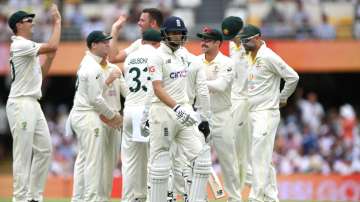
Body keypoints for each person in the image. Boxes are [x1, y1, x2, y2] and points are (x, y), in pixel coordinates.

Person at [147, 16, 211, 202]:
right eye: (174, 33)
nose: (178, 36)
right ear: (165, 34)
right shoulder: (156, 56)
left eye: (180, 33)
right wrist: (177, 108)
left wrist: (193, 111)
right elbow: (157, 89)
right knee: (160, 164)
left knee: (202, 159)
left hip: (183, 110)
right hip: (162, 112)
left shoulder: (184, 54)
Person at [6, 4, 61, 202]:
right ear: (18, 25)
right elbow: (53, 45)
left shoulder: (27, 49)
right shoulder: (20, 44)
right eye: (28, 20)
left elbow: (41, 75)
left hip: (32, 102)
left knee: (45, 149)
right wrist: (57, 22)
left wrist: (50, 60)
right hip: (21, 103)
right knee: (23, 152)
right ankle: (19, 198)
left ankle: (34, 197)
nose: (32, 23)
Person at [239, 24, 299, 202]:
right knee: (262, 157)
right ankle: (272, 198)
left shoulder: (268, 56)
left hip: (266, 113)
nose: (244, 44)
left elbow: (292, 77)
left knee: (258, 156)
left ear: (258, 38)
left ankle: (256, 198)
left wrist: (282, 97)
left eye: (247, 40)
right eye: (242, 41)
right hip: (252, 113)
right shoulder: (249, 56)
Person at [68, 30, 123, 202]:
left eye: (108, 41)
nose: (108, 44)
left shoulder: (92, 64)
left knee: (85, 160)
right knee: (92, 162)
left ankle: (80, 198)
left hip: (85, 115)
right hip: (88, 115)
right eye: (104, 42)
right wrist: (114, 117)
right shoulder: (92, 67)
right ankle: (91, 199)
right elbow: (95, 99)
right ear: (93, 45)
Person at [196, 26, 242, 202]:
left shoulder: (227, 63)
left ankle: (234, 198)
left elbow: (221, 85)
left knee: (228, 161)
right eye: (202, 39)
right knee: (198, 160)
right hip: (200, 115)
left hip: (221, 115)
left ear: (218, 43)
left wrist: (198, 83)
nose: (203, 42)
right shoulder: (196, 62)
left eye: (207, 39)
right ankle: (200, 198)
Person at [120, 28, 162, 202]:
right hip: (147, 111)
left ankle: (130, 198)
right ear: (158, 43)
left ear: (143, 41)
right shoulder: (157, 56)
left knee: (130, 161)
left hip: (129, 110)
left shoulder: (130, 58)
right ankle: (151, 197)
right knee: (154, 158)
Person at [222, 16, 253, 191]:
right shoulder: (232, 45)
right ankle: (240, 190)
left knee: (242, 151)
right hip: (233, 102)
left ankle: (256, 189)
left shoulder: (253, 46)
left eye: (234, 35)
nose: (232, 39)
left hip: (246, 102)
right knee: (234, 150)